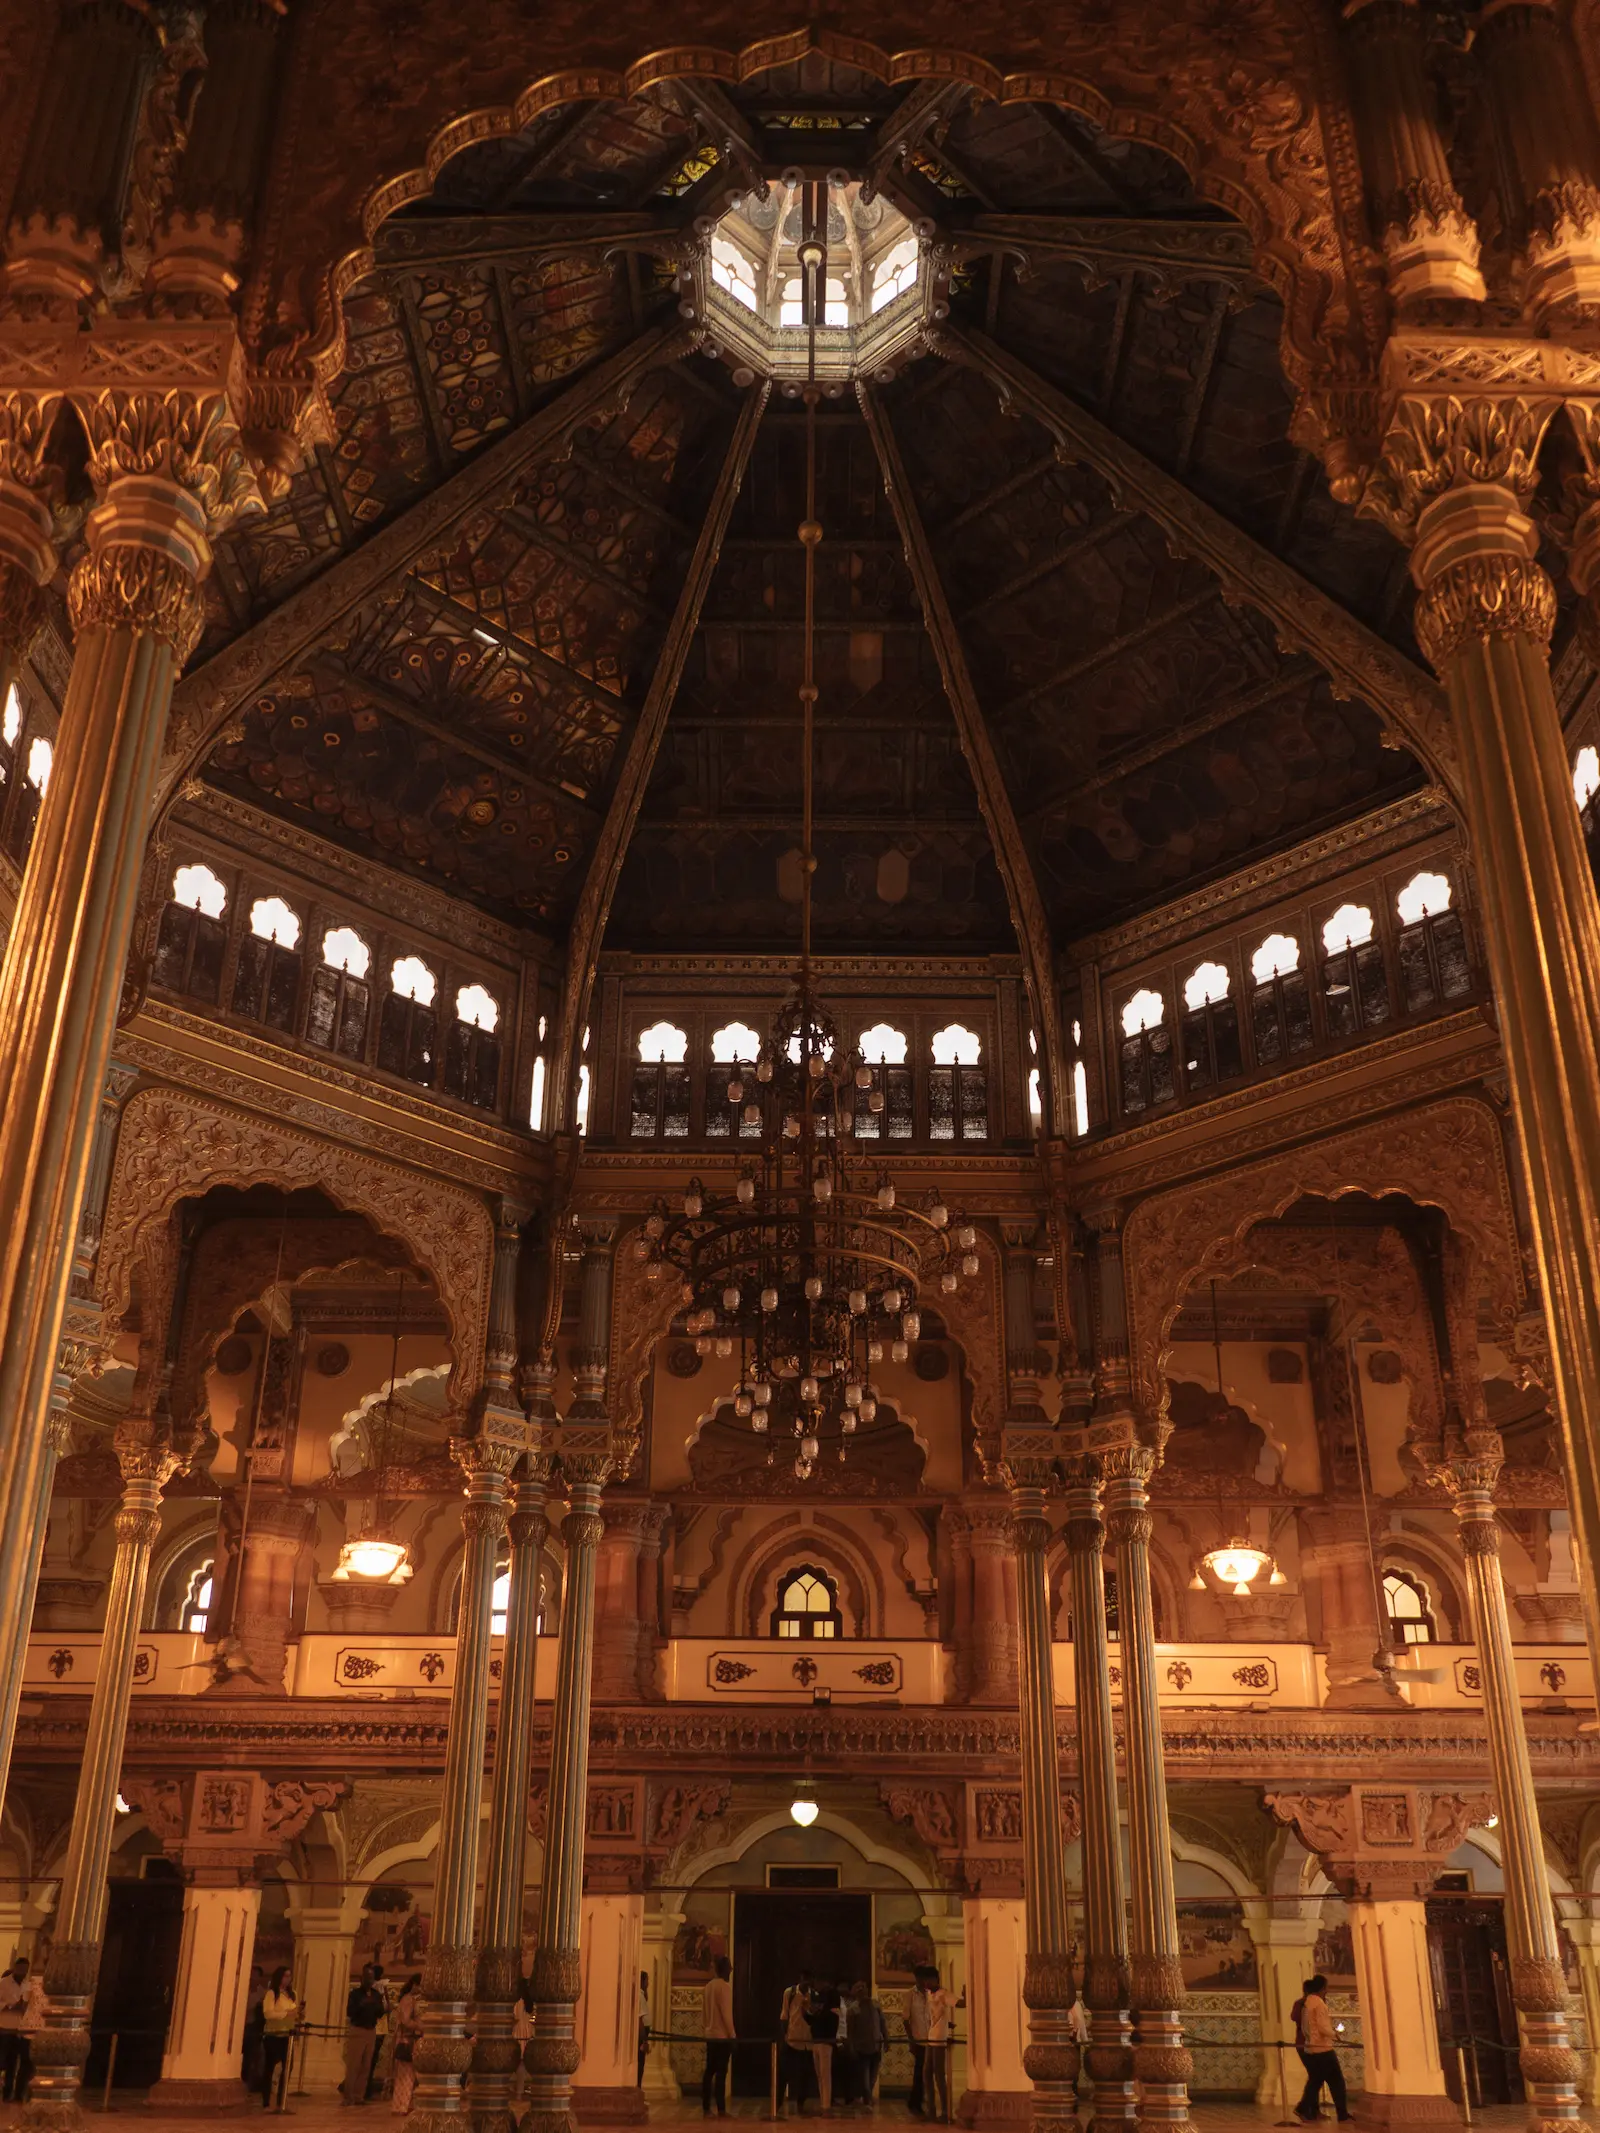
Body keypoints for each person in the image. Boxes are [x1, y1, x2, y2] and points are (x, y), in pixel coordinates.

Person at [1296, 1975, 1349, 2124]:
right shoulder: (1319, 2003)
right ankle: (1342, 2115)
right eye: (1326, 1987)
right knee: (1337, 2082)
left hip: (1312, 2047)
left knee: (1316, 2080)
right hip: (1323, 2048)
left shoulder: (1307, 2002)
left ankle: (1303, 2108)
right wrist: (1335, 2035)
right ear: (1322, 1988)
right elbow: (1322, 2027)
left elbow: (1306, 2026)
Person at [342, 1964, 386, 2106]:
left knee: (366, 2065)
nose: (369, 1980)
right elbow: (350, 2012)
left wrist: (381, 2006)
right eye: (367, 1977)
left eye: (371, 1978)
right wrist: (363, 2004)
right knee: (354, 2064)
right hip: (358, 2029)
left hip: (371, 2030)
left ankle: (359, 2095)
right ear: (362, 1979)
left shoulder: (376, 1995)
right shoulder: (355, 1994)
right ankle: (348, 2096)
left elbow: (380, 2012)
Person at [701, 1952, 735, 2117]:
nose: (731, 1970)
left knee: (709, 2072)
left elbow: (704, 2013)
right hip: (722, 2036)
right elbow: (726, 2014)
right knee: (721, 2073)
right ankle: (721, 2109)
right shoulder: (724, 1987)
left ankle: (706, 2107)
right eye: (729, 1968)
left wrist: (707, 2029)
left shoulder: (708, 1986)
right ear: (725, 1969)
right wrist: (732, 2035)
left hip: (710, 2035)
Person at [844, 1979, 885, 2112]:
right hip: (861, 2048)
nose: (862, 1990)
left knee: (873, 2077)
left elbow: (882, 2023)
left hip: (876, 2046)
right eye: (859, 1988)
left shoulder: (876, 2005)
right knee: (865, 2077)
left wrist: (886, 2039)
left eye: (864, 1987)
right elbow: (850, 2030)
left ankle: (867, 2098)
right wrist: (851, 2046)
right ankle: (867, 2101)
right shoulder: (853, 2009)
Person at [261, 1966, 298, 2111]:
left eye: (289, 1976)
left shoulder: (292, 1994)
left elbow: (293, 2012)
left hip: (287, 2035)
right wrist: (286, 2014)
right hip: (273, 2034)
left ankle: (281, 2101)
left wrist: (297, 2014)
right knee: (270, 2067)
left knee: (287, 2068)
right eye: (285, 1976)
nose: (288, 1979)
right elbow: (268, 2013)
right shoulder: (272, 1994)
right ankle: (266, 2101)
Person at [779, 1972, 814, 2114]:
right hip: (793, 2038)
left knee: (806, 2075)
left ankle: (801, 2103)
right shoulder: (790, 1992)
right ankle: (779, 2102)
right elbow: (784, 2015)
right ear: (801, 1979)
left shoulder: (813, 1995)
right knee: (785, 2072)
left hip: (808, 2041)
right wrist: (785, 2035)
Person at [921, 1969, 951, 2123]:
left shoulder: (943, 1994)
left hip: (939, 2038)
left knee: (939, 2075)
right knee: (927, 2073)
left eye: (928, 1979)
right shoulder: (929, 1994)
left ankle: (945, 2111)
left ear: (935, 1979)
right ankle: (931, 2109)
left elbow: (958, 2003)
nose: (926, 1983)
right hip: (931, 2037)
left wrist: (968, 1995)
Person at [390, 1975, 421, 2116]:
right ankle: (401, 2106)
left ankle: (402, 2105)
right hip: (406, 2040)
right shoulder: (408, 2000)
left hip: (407, 2039)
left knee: (407, 2075)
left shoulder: (409, 1999)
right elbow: (406, 2021)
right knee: (405, 2075)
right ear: (415, 1984)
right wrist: (421, 2027)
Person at [0, 1956, 29, 2103]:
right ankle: (5, 2092)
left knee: (20, 2062)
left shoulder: (27, 1985)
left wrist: (25, 2006)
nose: (23, 1972)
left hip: (21, 2028)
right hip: (5, 2027)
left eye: (26, 1970)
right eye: (21, 1969)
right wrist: (11, 2005)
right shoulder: (3, 1983)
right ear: (15, 1968)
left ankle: (16, 2093)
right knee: (5, 2061)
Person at [807, 1983, 839, 2113]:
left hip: (825, 2044)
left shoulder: (831, 2012)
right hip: (817, 2043)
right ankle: (823, 2103)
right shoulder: (822, 2012)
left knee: (825, 2076)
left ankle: (826, 2105)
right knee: (820, 2075)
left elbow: (821, 2023)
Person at [905, 1969, 931, 2116]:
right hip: (918, 2038)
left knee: (927, 2072)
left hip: (931, 2039)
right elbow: (905, 2018)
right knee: (919, 2071)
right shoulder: (910, 1994)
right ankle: (916, 2101)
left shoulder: (930, 1994)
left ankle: (919, 2100)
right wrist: (911, 2040)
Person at [243, 1965, 268, 2098]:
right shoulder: (241, 1990)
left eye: (255, 1975)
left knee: (251, 2056)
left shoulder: (262, 1995)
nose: (252, 1977)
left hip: (253, 2028)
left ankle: (249, 2083)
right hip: (241, 2027)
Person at [639, 1968, 651, 2086]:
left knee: (641, 2064)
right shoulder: (639, 1996)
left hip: (644, 2033)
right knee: (640, 2064)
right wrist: (644, 2041)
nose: (648, 1983)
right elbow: (640, 2021)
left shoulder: (642, 1995)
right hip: (641, 2035)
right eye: (647, 1980)